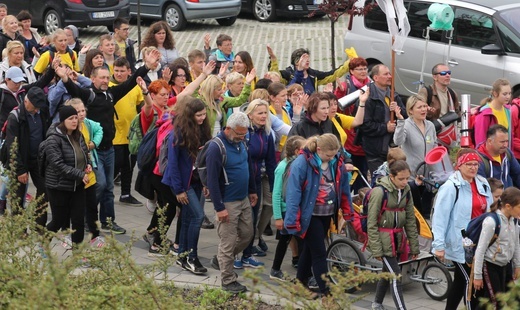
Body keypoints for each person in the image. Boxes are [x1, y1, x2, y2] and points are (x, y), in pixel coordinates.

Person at [56, 47, 162, 235]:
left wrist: (145, 66)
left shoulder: (111, 94)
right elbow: (74, 89)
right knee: (100, 184)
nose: (105, 81)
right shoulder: (88, 94)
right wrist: (64, 78)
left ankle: (108, 221)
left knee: (109, 188)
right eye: (102, 78)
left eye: (107, 77)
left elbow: (130, 83)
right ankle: (87, 218)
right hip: (92, 150)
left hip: (109, 148)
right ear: (93, 78)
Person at [284, 133, 353, 297]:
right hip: (310, 215)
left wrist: (347, 210)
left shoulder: (336, 161)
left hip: (327, 213)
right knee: (320, 253)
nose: (331, 158)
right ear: (319, 150)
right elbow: (293, 193)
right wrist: (292, 220)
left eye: (334, 155)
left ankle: (299, 284)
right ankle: (326, 293)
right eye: (328, 155)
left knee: (309, 249)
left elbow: (344, 189)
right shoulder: (302, 163)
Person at [432, 148, 493, 310]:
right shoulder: (451, 187)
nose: (473, 168)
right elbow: (440, 218)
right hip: (461, 243)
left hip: (480, 241)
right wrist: (438, 246)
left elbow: (491, 210)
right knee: (470, 281)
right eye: (469, 164)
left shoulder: (483, 183)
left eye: (475, 164)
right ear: (459, 165)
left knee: (460, 281)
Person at [206, 111, 258, 293]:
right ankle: (228, 281)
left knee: (247, 234)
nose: (243, 137)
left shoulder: (241, 142)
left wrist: (252, 190)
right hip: (227, 201)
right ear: (228, 129)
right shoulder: (216, 147)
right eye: (239, 134)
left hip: (243, 198)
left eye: (244, 134)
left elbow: (248, 166)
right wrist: (219, 208)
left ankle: (221, 259)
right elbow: (212, 180)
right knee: (228, 242)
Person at [162, 97, 212, 274]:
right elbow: (173, 164)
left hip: (197, 180)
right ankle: (192, 257)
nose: (202, 118)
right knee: (198, 216)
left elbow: (205, 159)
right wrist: (179, 190)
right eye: (198, 115)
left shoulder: (204, 129)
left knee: (188, 218)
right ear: (190, 115)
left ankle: (182, 256)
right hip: (183, 183)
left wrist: (206, 182)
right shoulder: (178, 132)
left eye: (204, 115)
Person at [368, 160, 420, 310]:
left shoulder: (406, 190)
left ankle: (377, 303)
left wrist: (414, 246)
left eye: (407, 178)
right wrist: (376, 249)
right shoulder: (379, 192)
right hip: (383, 239)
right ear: (391, 176)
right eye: (401, 179)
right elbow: (371, 223)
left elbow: (410, 219)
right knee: (395, 275)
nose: (405, 182)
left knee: (387, 272)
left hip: (397, 239)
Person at [2, 87, 50, 232]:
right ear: (26, 101)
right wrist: (20, 170)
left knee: (45, 189)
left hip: (38, 160)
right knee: (18, 196)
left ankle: (39, 225)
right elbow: (12, 146)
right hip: (20, 161)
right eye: (34, 107)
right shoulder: (15, 117)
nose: (36, 110)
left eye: (38, 108)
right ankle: (19, 229)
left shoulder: (41, 112)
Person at [234, 99, 276, 268]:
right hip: (242, 181)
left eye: (265, 113)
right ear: (250, 115)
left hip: (257, 181)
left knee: (252, 218)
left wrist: (274, 187)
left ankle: (247, 254)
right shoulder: (245, 133)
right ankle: (235, 255)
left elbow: (271, 161)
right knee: (241, 220)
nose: (263, 116)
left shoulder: (266, 134)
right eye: (260, 113)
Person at [43, 106, 90, 249]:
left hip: (77, 186)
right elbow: (58, 165)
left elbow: (85, 154)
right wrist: (80, 174)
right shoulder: (53, 139)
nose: (75, 121)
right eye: (71, 118)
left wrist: (88, 165)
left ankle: (77, 252)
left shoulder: (79, 135)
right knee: (58, 220)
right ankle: (43, 244)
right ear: (63, 121)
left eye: (76, 118)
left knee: (78, 220)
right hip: (59, 186)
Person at [471, 187, 520, 309]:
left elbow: (516, 243)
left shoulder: (514, 221)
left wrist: (517, 265)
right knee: (496, 301)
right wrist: (477, 276)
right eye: (519, 207)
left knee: (512, 298)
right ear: (508, 206)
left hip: (505, 265)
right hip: (490, 266)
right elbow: (480, 250)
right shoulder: (491, 222)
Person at [66, 98, 105, 247]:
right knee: (77, 211)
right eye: (77, 112)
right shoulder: (67, 131)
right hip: (76, 177)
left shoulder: (87, 124)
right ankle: (74, 239)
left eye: (83, 110)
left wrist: (94, 143)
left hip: (89, 174)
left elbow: (100, 129)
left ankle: (95, 236)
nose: (82, 114)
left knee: (92, 207)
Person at [394, 94, 437, 218]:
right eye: (419, 107)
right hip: (412, 177)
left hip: (428, 177)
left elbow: (434, 146)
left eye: (425, 106)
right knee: (414, 214)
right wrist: (400, 122)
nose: (423, 109)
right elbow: (397, 141)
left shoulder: (430, 125)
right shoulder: (406, 125)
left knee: (426, 214)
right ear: (411, 110)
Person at [359, 64, 407, 174]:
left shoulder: (393, 95)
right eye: (385, 74)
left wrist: (397, 111)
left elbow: (405, 116)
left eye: (390, 74)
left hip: (392, 149)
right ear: (375, 78)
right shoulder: (368, 97)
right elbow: (364, 125)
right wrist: (385, 127)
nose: (390, 76)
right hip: (375, 150)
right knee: (379, 180)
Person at [270, 135, 305, 281]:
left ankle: (303, 272)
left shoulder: (299, 165)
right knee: (284, 240)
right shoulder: (283, 167)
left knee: (300, 240)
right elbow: (276, 193)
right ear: (297, 151)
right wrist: (278, 217)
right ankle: (275, 269)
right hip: (286, 211)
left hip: (296, 209)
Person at [334, 57, 371, 194]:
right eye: (359, 69)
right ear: (351, 71)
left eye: (364, 68)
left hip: (367, 135)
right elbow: (336, 108)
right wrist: (339, 91)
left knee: (363, 173)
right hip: (351, 137)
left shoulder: (371, 84)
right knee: (350, 175)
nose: (363, 71)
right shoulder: (346, 86)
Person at [110, 57, 144, 205]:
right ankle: (104, 190)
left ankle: (125, 194)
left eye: (122, 71)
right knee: (116, 164)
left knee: (129, 166)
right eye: (116, 70)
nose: (118, 73)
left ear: (129, 72)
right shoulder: (110, 87)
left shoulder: (135, 87)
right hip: (115, 135)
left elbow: (140, 106)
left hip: (131, 135)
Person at [267, 46, 349, 95]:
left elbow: (332, 75)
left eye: (308, 58)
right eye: (304, 58)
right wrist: (273, 60)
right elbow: (274, 76)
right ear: (296, 61)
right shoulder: (288, 74)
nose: (307, 61)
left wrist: (348, 64)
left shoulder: (313, 74)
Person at [198, 70, 255, 137]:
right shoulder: (200, 102)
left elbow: (239, 100)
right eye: (219, 90)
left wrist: (247, 84)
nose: (222, 92)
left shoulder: (221, 99)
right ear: (211, 90)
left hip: (219, 137)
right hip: (206, 139)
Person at [418, 63, 460, 147]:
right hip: (432, 134)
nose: (447, 75)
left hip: (447, 136)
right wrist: (427, 109)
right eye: (443, 73)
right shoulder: (426, 91)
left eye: (449, 73)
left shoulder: (452, 93)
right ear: (435, 77)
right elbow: (417, 107)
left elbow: (457, 113)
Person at [474, 79, 512, 147]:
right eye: (504, 94)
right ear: (495, 93)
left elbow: (510, 138)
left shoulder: (508, 111)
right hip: (490, 156)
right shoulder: (485, 114)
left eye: (509, 93)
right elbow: (480, 142)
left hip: (504, 155)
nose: (508, 97)